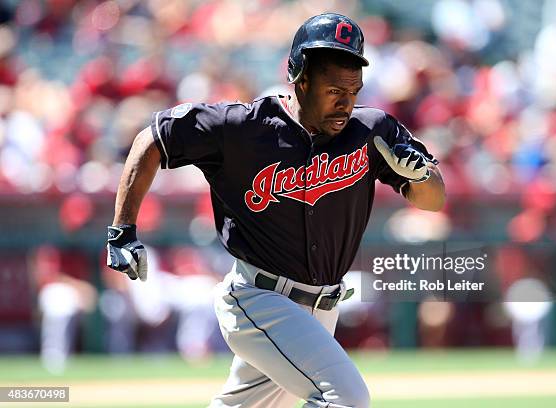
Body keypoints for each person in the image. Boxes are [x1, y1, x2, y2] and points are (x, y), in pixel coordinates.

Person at [106, 13, 445, 408]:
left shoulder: (372, 130)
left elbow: (433, 200)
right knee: (347, 398)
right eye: (334, 89)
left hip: (323, 306)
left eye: (354, 91)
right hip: (259, 299)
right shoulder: (243, 127)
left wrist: (421, 176)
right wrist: (122, 230)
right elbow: (153, 140)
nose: (346, 103)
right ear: (300, 77)